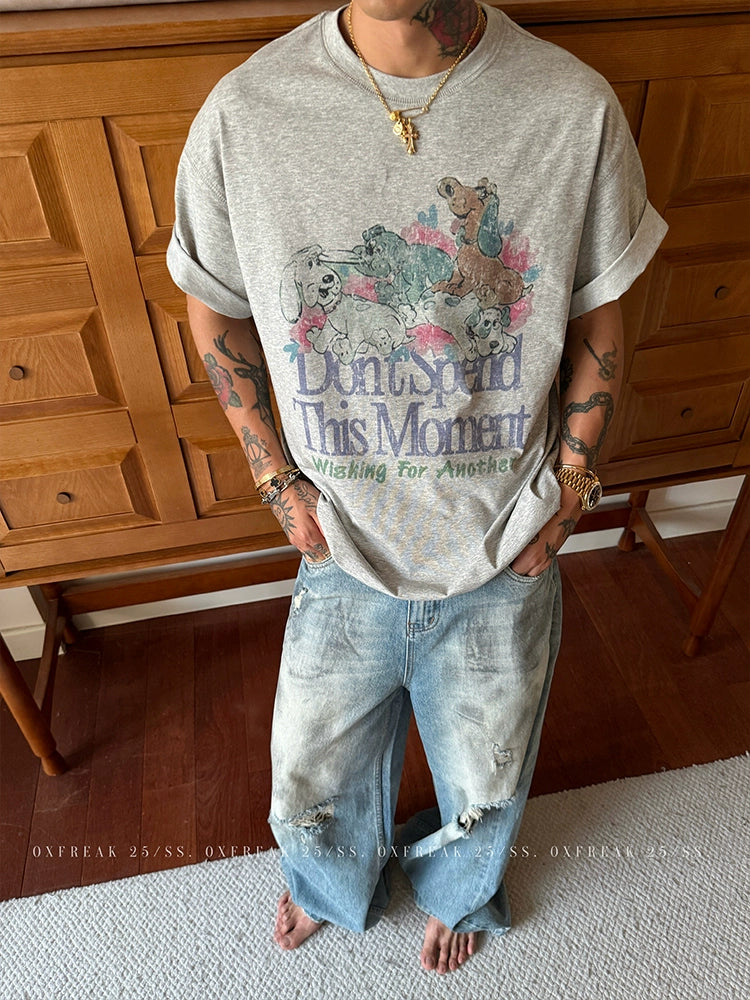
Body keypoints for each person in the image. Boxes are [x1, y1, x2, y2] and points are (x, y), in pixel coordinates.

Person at [167, 0, 667, 975]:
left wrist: (572, 487)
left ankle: (458, 890)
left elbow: (600, 314)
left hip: (505, 541)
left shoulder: (574, 109)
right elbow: (211, 308)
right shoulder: (244, 114)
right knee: (309, 779)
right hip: (339, 541)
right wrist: (277, 481)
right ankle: (329, 882)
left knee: (487, 778)